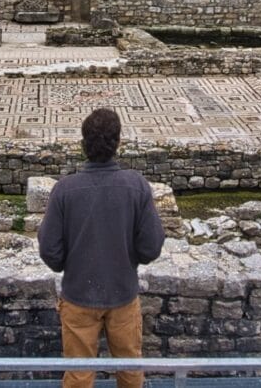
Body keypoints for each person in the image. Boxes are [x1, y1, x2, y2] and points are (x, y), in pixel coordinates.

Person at [38, 108, 166, 388]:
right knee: (130, 371)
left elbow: (49, 250)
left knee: (78, 376)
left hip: (78, 296)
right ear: (118, 142)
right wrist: (127, 258)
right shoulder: (136, 186)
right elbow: (151, 246)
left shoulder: (65, 189)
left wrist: (70, 264)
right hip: (123, 294)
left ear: (83, 144)